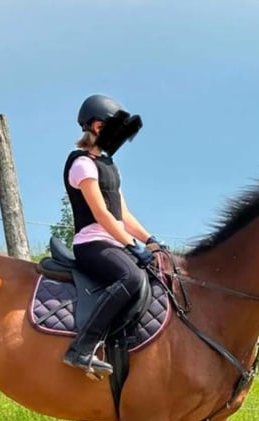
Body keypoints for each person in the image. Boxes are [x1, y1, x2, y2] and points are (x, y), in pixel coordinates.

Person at [62, 94, 164, 377]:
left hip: (113, 241)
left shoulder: (108, 166)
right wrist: (132, 245)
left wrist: (150, 240)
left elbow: (123, 215)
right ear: (97, 126)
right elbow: (102, 215)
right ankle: (82, 349)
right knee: (130, 277)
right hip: (92, 244)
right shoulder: (82, 165)